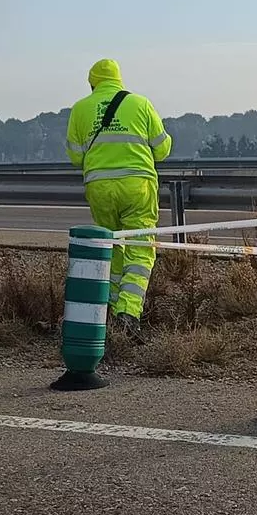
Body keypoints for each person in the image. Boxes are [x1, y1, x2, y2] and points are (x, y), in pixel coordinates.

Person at [66, 58, 172, 344]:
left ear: (92, 84)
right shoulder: (140, 104)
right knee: (140, 251)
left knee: (111, 248)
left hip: (99, 188)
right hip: (137, 187)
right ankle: (128, 313)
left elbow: (75, 156)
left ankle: (110, 313)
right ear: (118, 80)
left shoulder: (80, 109)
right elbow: (162, 149)